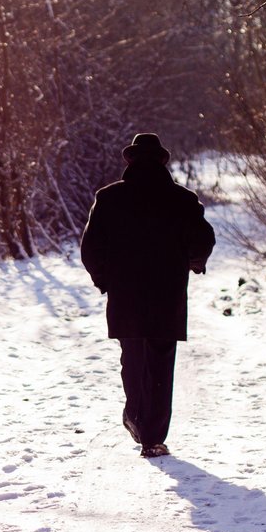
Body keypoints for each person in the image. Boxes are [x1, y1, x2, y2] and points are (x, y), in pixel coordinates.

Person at [80, 133, 215, 458]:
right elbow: (203, 240)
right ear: (161, 163)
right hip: (166, 296)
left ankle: (134, 417)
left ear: (130, 162)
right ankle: (153, 437)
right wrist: (193, 264)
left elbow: (90, 249)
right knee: (160, 363)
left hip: (125, 296)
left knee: (133, 359)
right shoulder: (182, 200)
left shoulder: (109, 198)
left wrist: (104, 279)